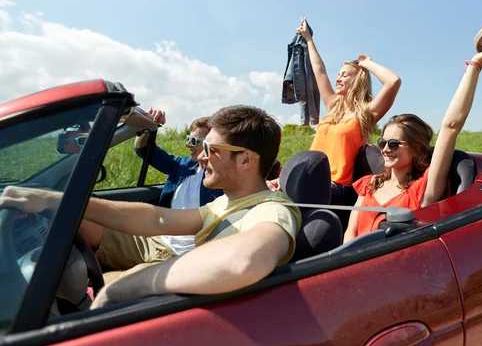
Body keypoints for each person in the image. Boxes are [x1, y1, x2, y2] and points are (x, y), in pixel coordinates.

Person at [0, 105, 302, 308]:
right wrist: (59, 201)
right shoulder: (228, 202)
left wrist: (130, 283)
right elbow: (157, 220)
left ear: (247, 160)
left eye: (210, 150)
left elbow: (244, 261)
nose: (199, 157)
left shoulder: (271, 210)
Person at [344, 34, 482, 243]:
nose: (386, 149)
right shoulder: (370, 184)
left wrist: (476, 65)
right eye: (383, 142)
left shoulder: (422, 191)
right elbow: (350, 233)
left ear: (416, 150)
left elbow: (451, 126)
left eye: (394, 144)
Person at [269, 17, 401, 228]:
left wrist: (367, 64)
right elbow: (319, 70)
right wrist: (308, 39)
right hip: (308, 179)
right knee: (262, 192)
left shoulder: (365, 114)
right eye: (338, 74)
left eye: (345, 75)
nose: (338, 78)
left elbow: (393, 82)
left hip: (336, 187)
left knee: (278, 203)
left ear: (357, 80)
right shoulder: (333, 107)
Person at [77, 110, 223, 270]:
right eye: (189, 138)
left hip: (182, 256)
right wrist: (150, 125)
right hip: (157, 239)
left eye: (194, 140)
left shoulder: (221, 178)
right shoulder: (183, 165)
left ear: (211, 144)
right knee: (78, 222)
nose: (188, 144)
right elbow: (144, 150)